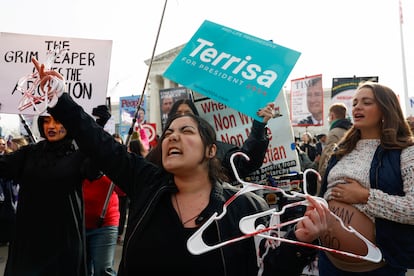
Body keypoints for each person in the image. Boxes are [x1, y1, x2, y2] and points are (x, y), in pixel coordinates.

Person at [35, 55, 330, 275]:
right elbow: (98, 143)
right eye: (169, 133)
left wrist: (300, 241)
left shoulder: (244, 208)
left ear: (211, 150)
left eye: (187, 131)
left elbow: (267, 269)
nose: (173, 137)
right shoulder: (145, 182)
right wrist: (59, 98)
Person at [318, 82, 414, 275]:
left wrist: (365, 196)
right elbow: (324, 195)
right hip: (329, 263)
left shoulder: (406, 152)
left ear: (386, 109)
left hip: (380, 268)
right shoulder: (341, 150)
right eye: (354, 103)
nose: (357, 107)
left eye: (366, 102)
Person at [0, 113, 87, 275]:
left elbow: (98, 168)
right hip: (30, 240)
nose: (51, 126)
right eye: (46, 121)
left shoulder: (80, 155)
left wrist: (97, 130)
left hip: (64, 240)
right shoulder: (28, 153)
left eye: (58, 120)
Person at [153, 98, 273, 183]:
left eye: (188, 113)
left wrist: (258, 126)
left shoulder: (220, 151)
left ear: (210, 151)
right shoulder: (155, 158)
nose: (183, 116)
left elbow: (246, 162)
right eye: (178, 114)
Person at [83, 105, 119, 276]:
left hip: (105, 224)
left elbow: (123, 190)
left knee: (103, 271)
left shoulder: (113, 158)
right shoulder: (77, 153)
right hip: (77, 223)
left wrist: (119, 169)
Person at [317, 102, 353, 180]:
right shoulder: (352, 131)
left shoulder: (334, 133)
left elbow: (327, 158)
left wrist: (321, 177)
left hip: (333, 178)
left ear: (332, 116)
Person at [111, 133, 128, 245]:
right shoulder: (105, 159)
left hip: (122, 193)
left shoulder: (126, 159)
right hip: (111, 193)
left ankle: (119, 234)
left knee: (121, 214)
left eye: (119, 144)